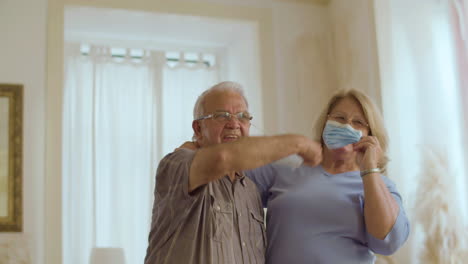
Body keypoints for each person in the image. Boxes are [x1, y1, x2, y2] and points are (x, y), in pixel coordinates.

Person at [144, 81, 322, 264]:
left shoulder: (250, 190)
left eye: (243, 116)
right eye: (222, 116)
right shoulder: (176, 165)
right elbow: (223, 158)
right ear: (198, 129)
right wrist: (300, 144)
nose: (234, 123)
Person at [246, 89, 410, 264]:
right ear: (326, 122)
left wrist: (369, 168)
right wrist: (293, 144)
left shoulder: (378, 184)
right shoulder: (286, 168)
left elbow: (388, 242)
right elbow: (232, 171)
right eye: (339, 118)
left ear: (370, 136)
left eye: (358, 122)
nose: (347, 126)